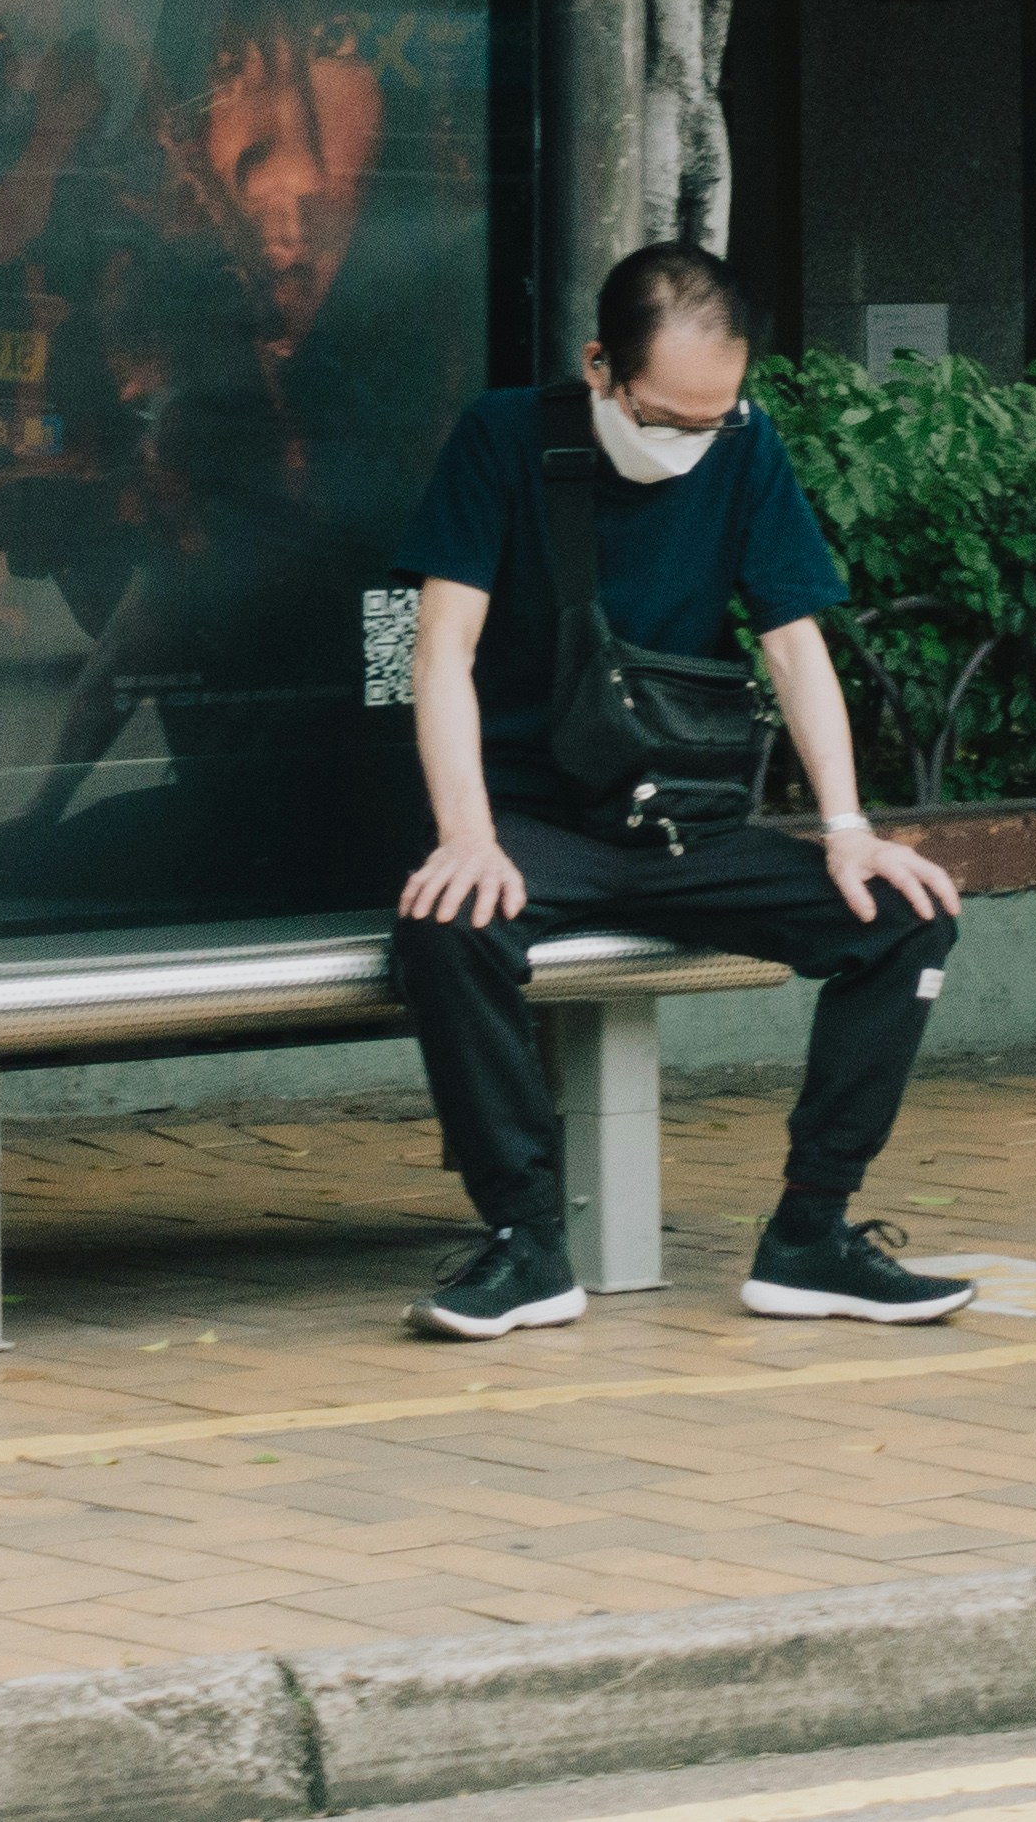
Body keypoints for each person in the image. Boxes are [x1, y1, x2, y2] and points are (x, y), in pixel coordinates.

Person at [385, 242, 977, 1337]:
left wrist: (850, 831)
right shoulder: (506, 437)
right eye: (665, 416)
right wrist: (466, 834)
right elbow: (440, 652)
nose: (689, 444)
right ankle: (527, 1246)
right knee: (447, 925)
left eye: (714, 418)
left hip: (677, 822)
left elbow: (796, 647)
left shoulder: (743, 448)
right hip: (529, 821)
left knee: (904, 916)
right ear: (600, 366)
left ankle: (812, 1236)